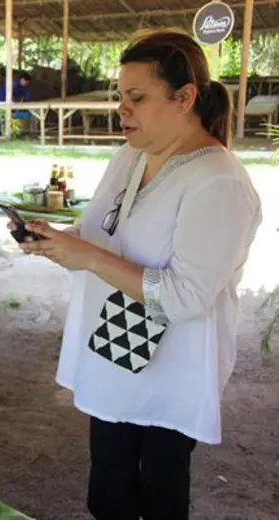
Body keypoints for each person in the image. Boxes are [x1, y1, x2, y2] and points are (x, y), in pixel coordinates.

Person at [15, 29, 262, 520]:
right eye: (120, 96)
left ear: (184, 97)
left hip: (171, 370)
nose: (121, 110)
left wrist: (85, 256)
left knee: (158, 497)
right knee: (108, 493)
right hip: (117, 350)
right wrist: (58, 237)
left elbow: (186, 297)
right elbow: (100, 230)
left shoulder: (218, 182)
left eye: (137, 97)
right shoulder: (131, 155)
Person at [0, 70, 32, 137]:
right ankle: (0, 133)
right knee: (0, 114)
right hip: (2, 97)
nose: (26, 84)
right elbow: (9, 93)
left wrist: (23, 99)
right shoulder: (14, 83)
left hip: (11, 101)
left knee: (11, 115)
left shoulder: (23, 86)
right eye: (26, 82)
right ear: (22, 79)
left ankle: (11, 132)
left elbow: (26, 95)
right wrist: (13, 100)